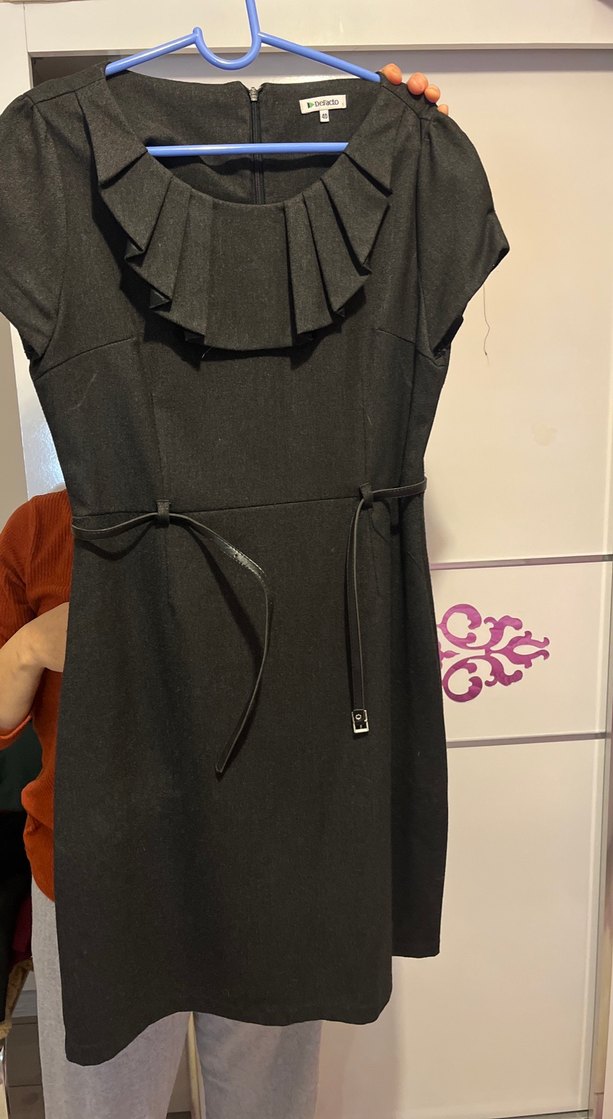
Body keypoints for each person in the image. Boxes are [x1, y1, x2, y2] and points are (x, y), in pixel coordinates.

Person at [0, 64, 448, 1119]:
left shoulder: (406, 188)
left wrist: (405, 154)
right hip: (106, 868)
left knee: (268, 1103)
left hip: (287, 833)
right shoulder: (36, 534)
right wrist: (33, 647)